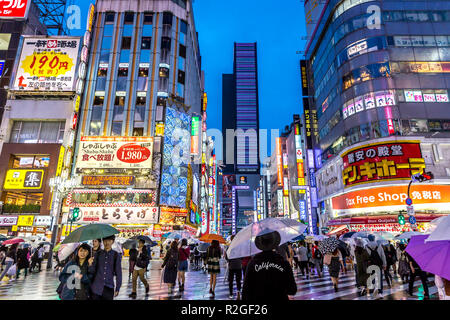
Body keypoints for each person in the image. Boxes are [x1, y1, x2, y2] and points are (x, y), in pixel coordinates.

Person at [242, 230, 297, 301]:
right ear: (274, 243)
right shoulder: (283, 262)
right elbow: (292, 290)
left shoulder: (253, 263)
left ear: (260, 244)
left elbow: (246, 291)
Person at [88, 235, 122, 300]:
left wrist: (118, 288)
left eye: (109, 240)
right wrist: (90, 264)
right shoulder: (98, 254)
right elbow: (92, 271)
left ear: (113, 242)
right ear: (103, 242)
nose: (107, 243)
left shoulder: (116, 255)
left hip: (109, 288)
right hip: (96, 288)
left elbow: (119, 273)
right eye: (105, 240)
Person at [225, 235, 242, 300]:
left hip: (231, 266)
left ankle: (231, 294)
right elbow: (242, 256)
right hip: (238, 265)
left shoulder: (229, 247)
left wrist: (229, 260)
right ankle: (238, 292)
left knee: (230, 281)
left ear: (231, 240)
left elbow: (227, 257)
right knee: (238, 280)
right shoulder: (239, 247)